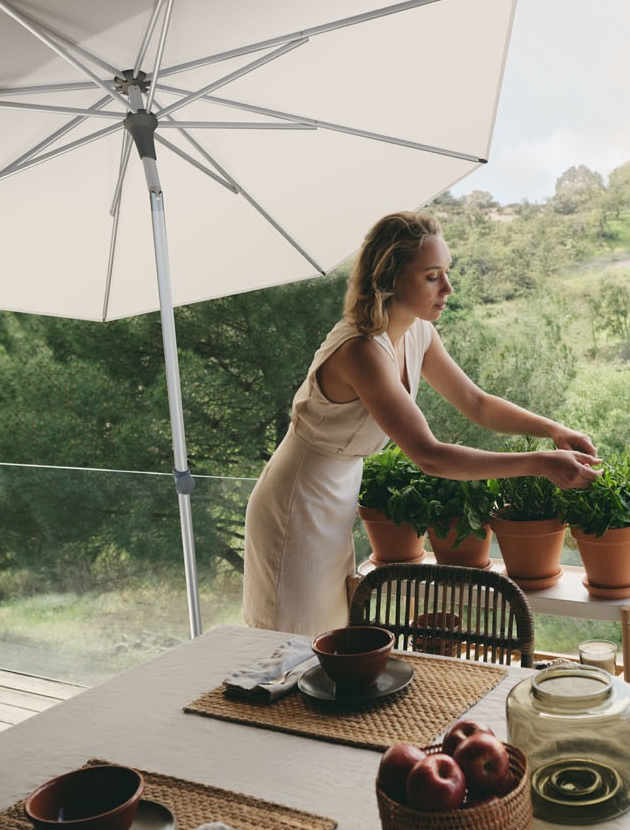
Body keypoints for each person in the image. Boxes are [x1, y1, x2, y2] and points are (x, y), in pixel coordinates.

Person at [243, 210, 600, 636]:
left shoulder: (417, 331)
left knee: (328, 634)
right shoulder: (361, 351)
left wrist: (553, 429)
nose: (447, 288)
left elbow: (477, 403)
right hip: (297, 501)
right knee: (291, 639)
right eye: (432, 276)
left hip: (336, 499)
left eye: (446, 273)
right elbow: (429, 456)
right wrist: (540, 463)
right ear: (389, 278)